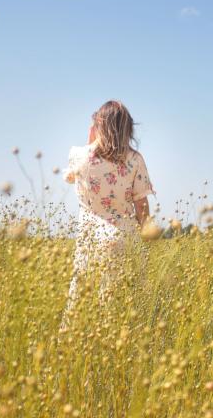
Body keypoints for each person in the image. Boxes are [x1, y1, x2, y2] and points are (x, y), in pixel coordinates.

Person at [60, 100, 155, 330]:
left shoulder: (78, 156)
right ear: (127, 129)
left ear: (98, 124)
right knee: (126, 306)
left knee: (81, 300)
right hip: (126, 237)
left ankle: (74, 348)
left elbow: (76, 174)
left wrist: (91, 139)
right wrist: (147, 239)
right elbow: (141, 206)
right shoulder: (135, 159)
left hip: (91, 238)